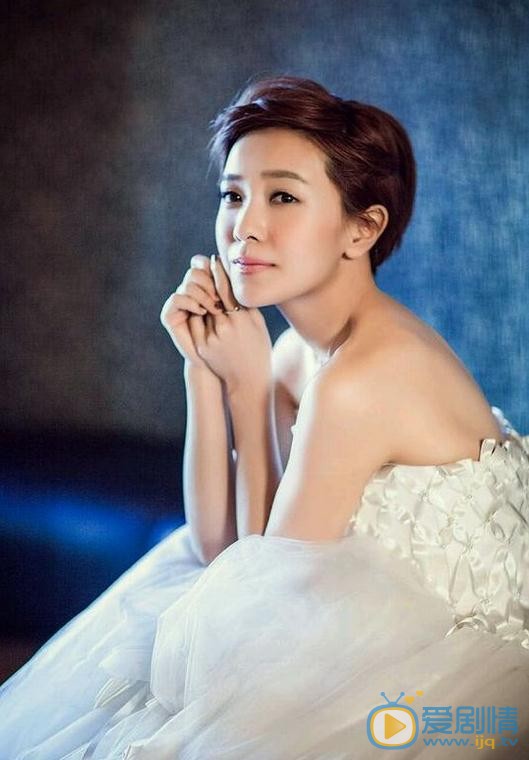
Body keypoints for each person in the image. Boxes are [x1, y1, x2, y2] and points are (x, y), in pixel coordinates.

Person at [1, 74, 528, 759]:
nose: (244, 226)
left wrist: (247, 391)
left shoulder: (366, 376)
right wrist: (202, 371)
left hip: (452, 675)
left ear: (362, 227)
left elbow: (261, 612)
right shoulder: (297, 352)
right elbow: (218, 549)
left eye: (282, 196)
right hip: (323, 617)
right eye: (232, 195)